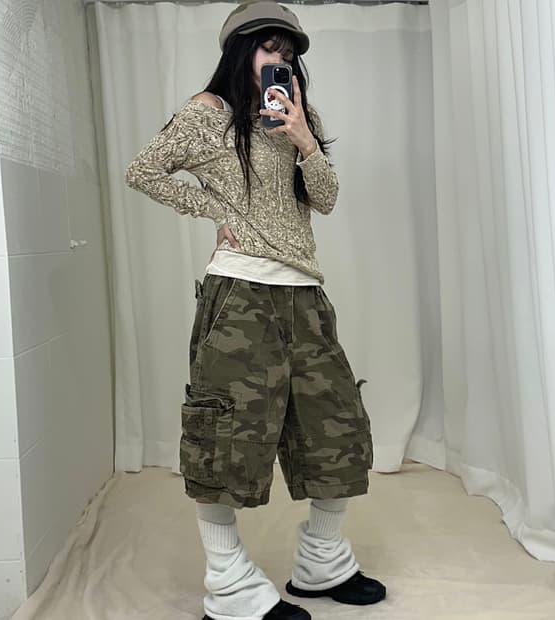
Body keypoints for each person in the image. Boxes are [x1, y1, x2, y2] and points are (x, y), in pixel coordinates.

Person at [125, 2, 386, 618]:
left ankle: (323, 561)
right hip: (240, 294)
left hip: (304, 294)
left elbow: (325, 199)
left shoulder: (298, 116)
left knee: (336, 431)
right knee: (226, 440)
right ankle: (230, 585)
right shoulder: (207, 113)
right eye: (269, 48)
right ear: (241, 52)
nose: (280, 61)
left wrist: (303, 140)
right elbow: (143, 171)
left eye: (287, 53)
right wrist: (214, 210)